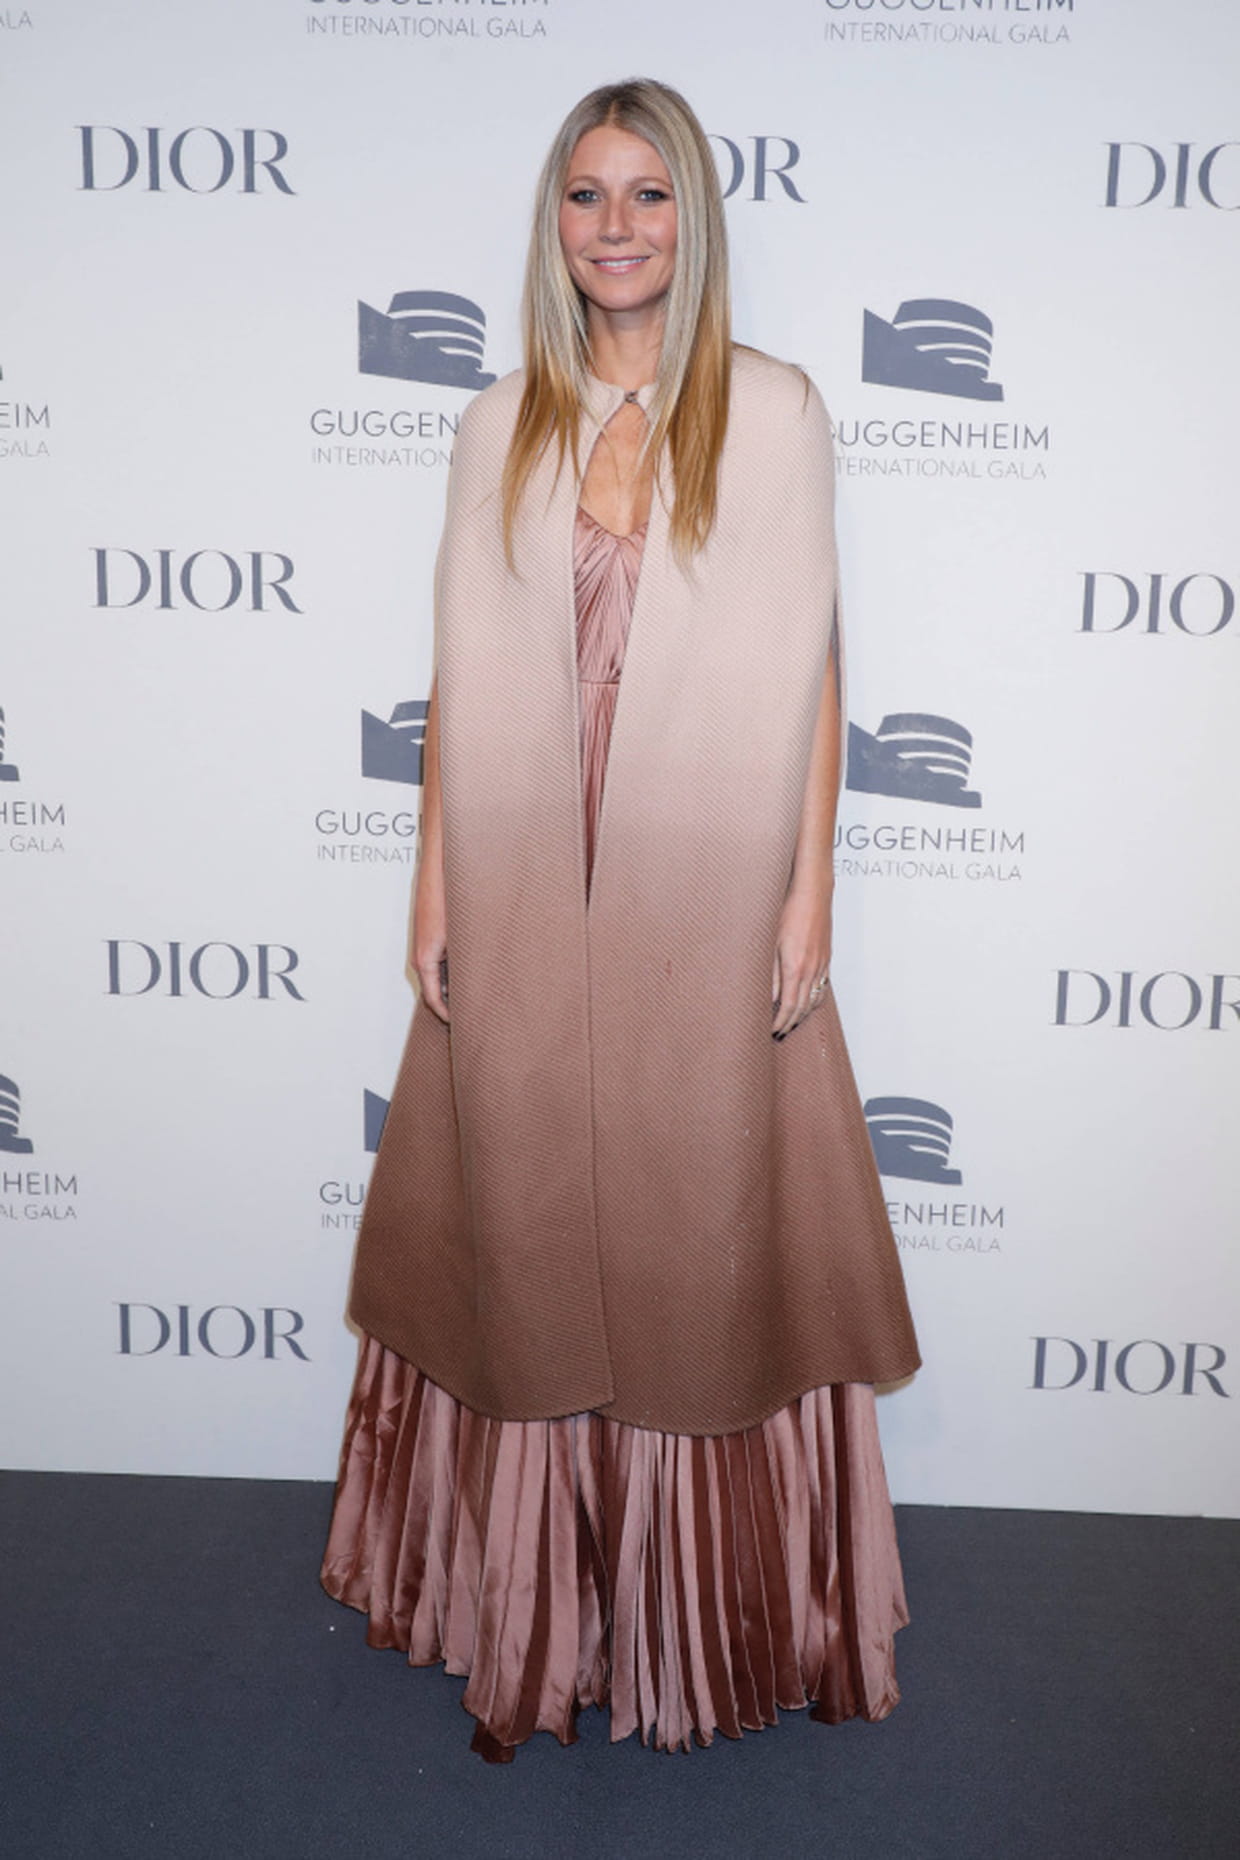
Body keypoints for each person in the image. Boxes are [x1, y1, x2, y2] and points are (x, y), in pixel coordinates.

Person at [321, 77, 919, 1763]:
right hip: (524, 852)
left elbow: (817, 671)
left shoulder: (774, 414)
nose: (617, 227)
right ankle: (531, 1596)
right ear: (555, 224)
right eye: (587, 196)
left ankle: (693, 1612)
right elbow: (458, 670)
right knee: (520, 1201)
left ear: (693, 218)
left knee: (696, 1203)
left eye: (648, 194)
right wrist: (433, 876)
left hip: (702, 863)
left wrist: (810, 887)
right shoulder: (498, 421)